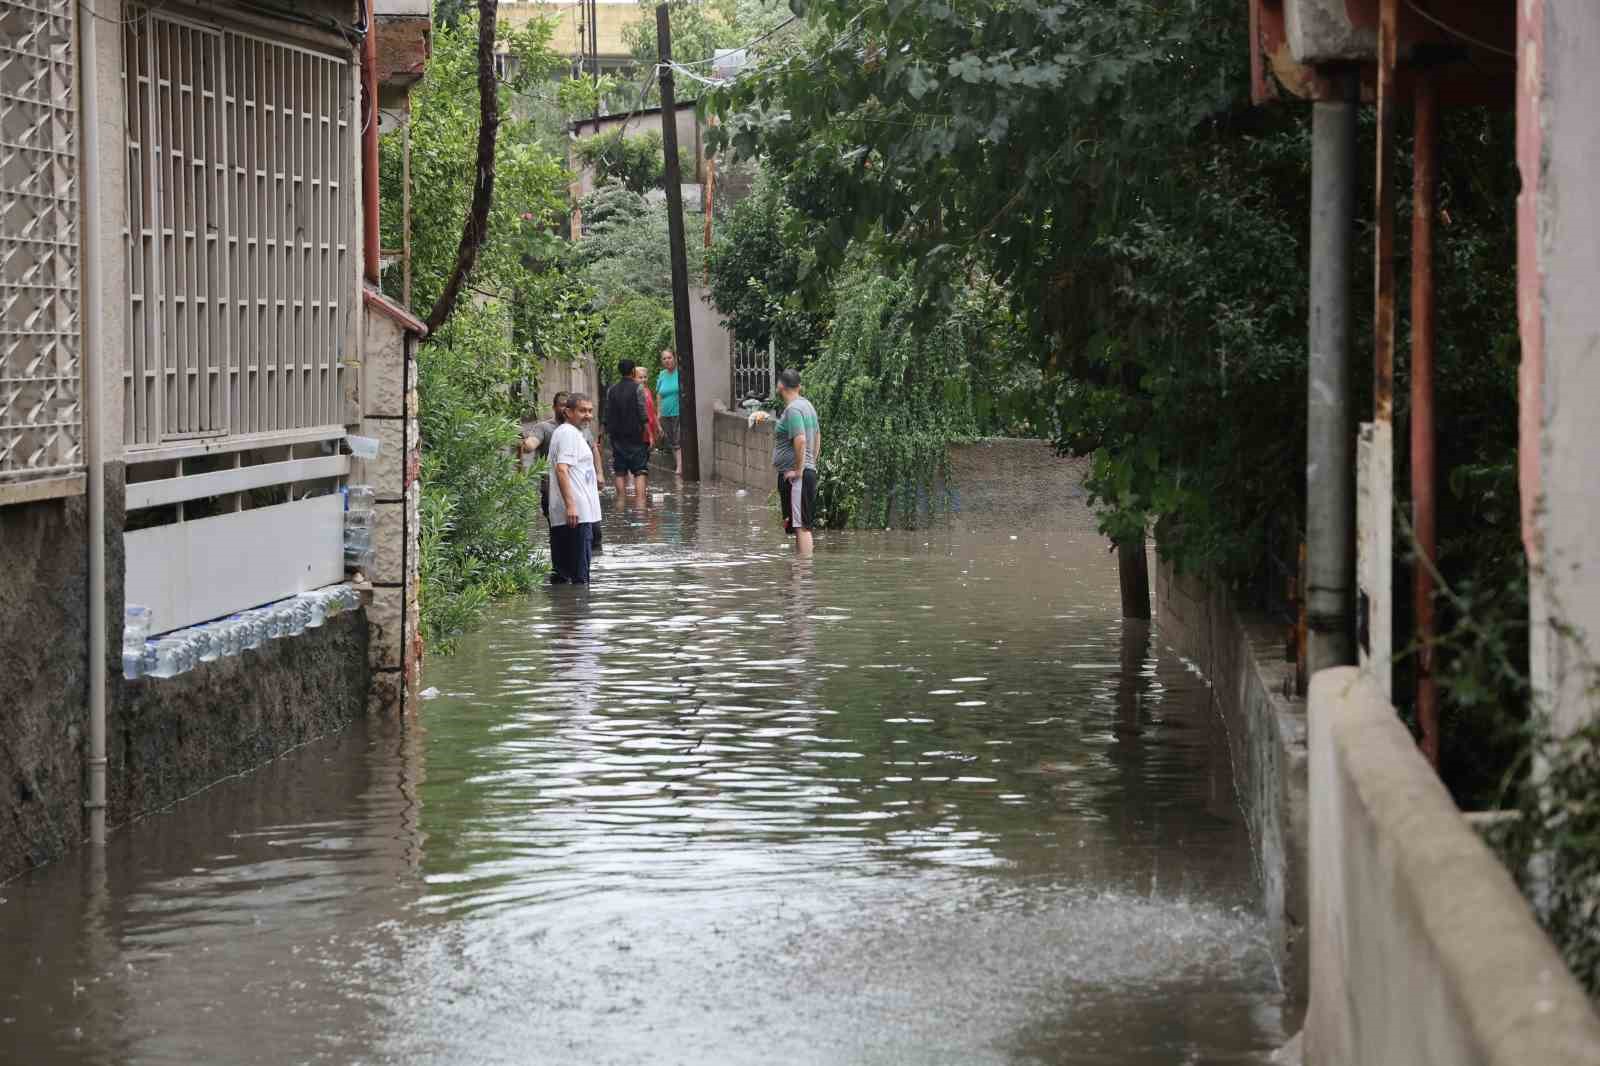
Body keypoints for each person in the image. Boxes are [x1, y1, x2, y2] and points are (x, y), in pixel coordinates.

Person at [520, 391, 605, 552]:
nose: (565, 409)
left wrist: (599, 473)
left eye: (568, 405)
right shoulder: (544, 428)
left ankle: (590, 569)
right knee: (561, 536)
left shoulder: (582, 428)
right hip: (553, 492)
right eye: (562, 405)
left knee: (594, 535)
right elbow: (531, 444)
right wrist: (526, 443)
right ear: (555, 408)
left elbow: (593, 449)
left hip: (583, 492)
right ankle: (563, 572)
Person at [764, 368, 820, 557]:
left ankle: (803, 575)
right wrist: (812, 462)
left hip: (798, 477)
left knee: (802, 526)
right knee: (798, 524)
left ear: (780, 386)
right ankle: (799, 572)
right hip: (806, 473)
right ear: (799, 386)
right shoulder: (807, 405)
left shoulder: (794, 409)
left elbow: (801, 439)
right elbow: (818, 437)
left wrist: (799, 470)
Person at [547, 393, 602, 584]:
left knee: (564, 577)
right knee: (580, 579)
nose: (587, 415)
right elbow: (561, 469)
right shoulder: (569, 434)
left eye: (590, 411)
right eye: (582, 411)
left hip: (570, 516)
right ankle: (578, 612)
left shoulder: (566, 433)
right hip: (576, 516)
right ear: (568, 412)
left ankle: (565, 611)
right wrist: (571, 506)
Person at [604, 359, 650, 505]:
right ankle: (640, 503)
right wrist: (648, 433)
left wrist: (603, 432)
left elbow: (607, 412)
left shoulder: (611, 390)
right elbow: (643, 413)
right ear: (633, 372)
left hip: (616, 436)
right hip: (635, 435)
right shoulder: (638, 388)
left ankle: (621, 502)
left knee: (619, 470)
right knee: (640, 470)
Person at [655, 348, 682, 476]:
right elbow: (659, 394)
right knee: (671, 441)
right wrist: (658, 412)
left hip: (678, 412)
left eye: (669, 357)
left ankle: (680, 468)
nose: (667, 360)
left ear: (675, 358)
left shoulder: (680, 373)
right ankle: (678, 465)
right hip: (665, 414)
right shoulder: (662, 374)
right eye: (664, 358)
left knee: (678, 440)